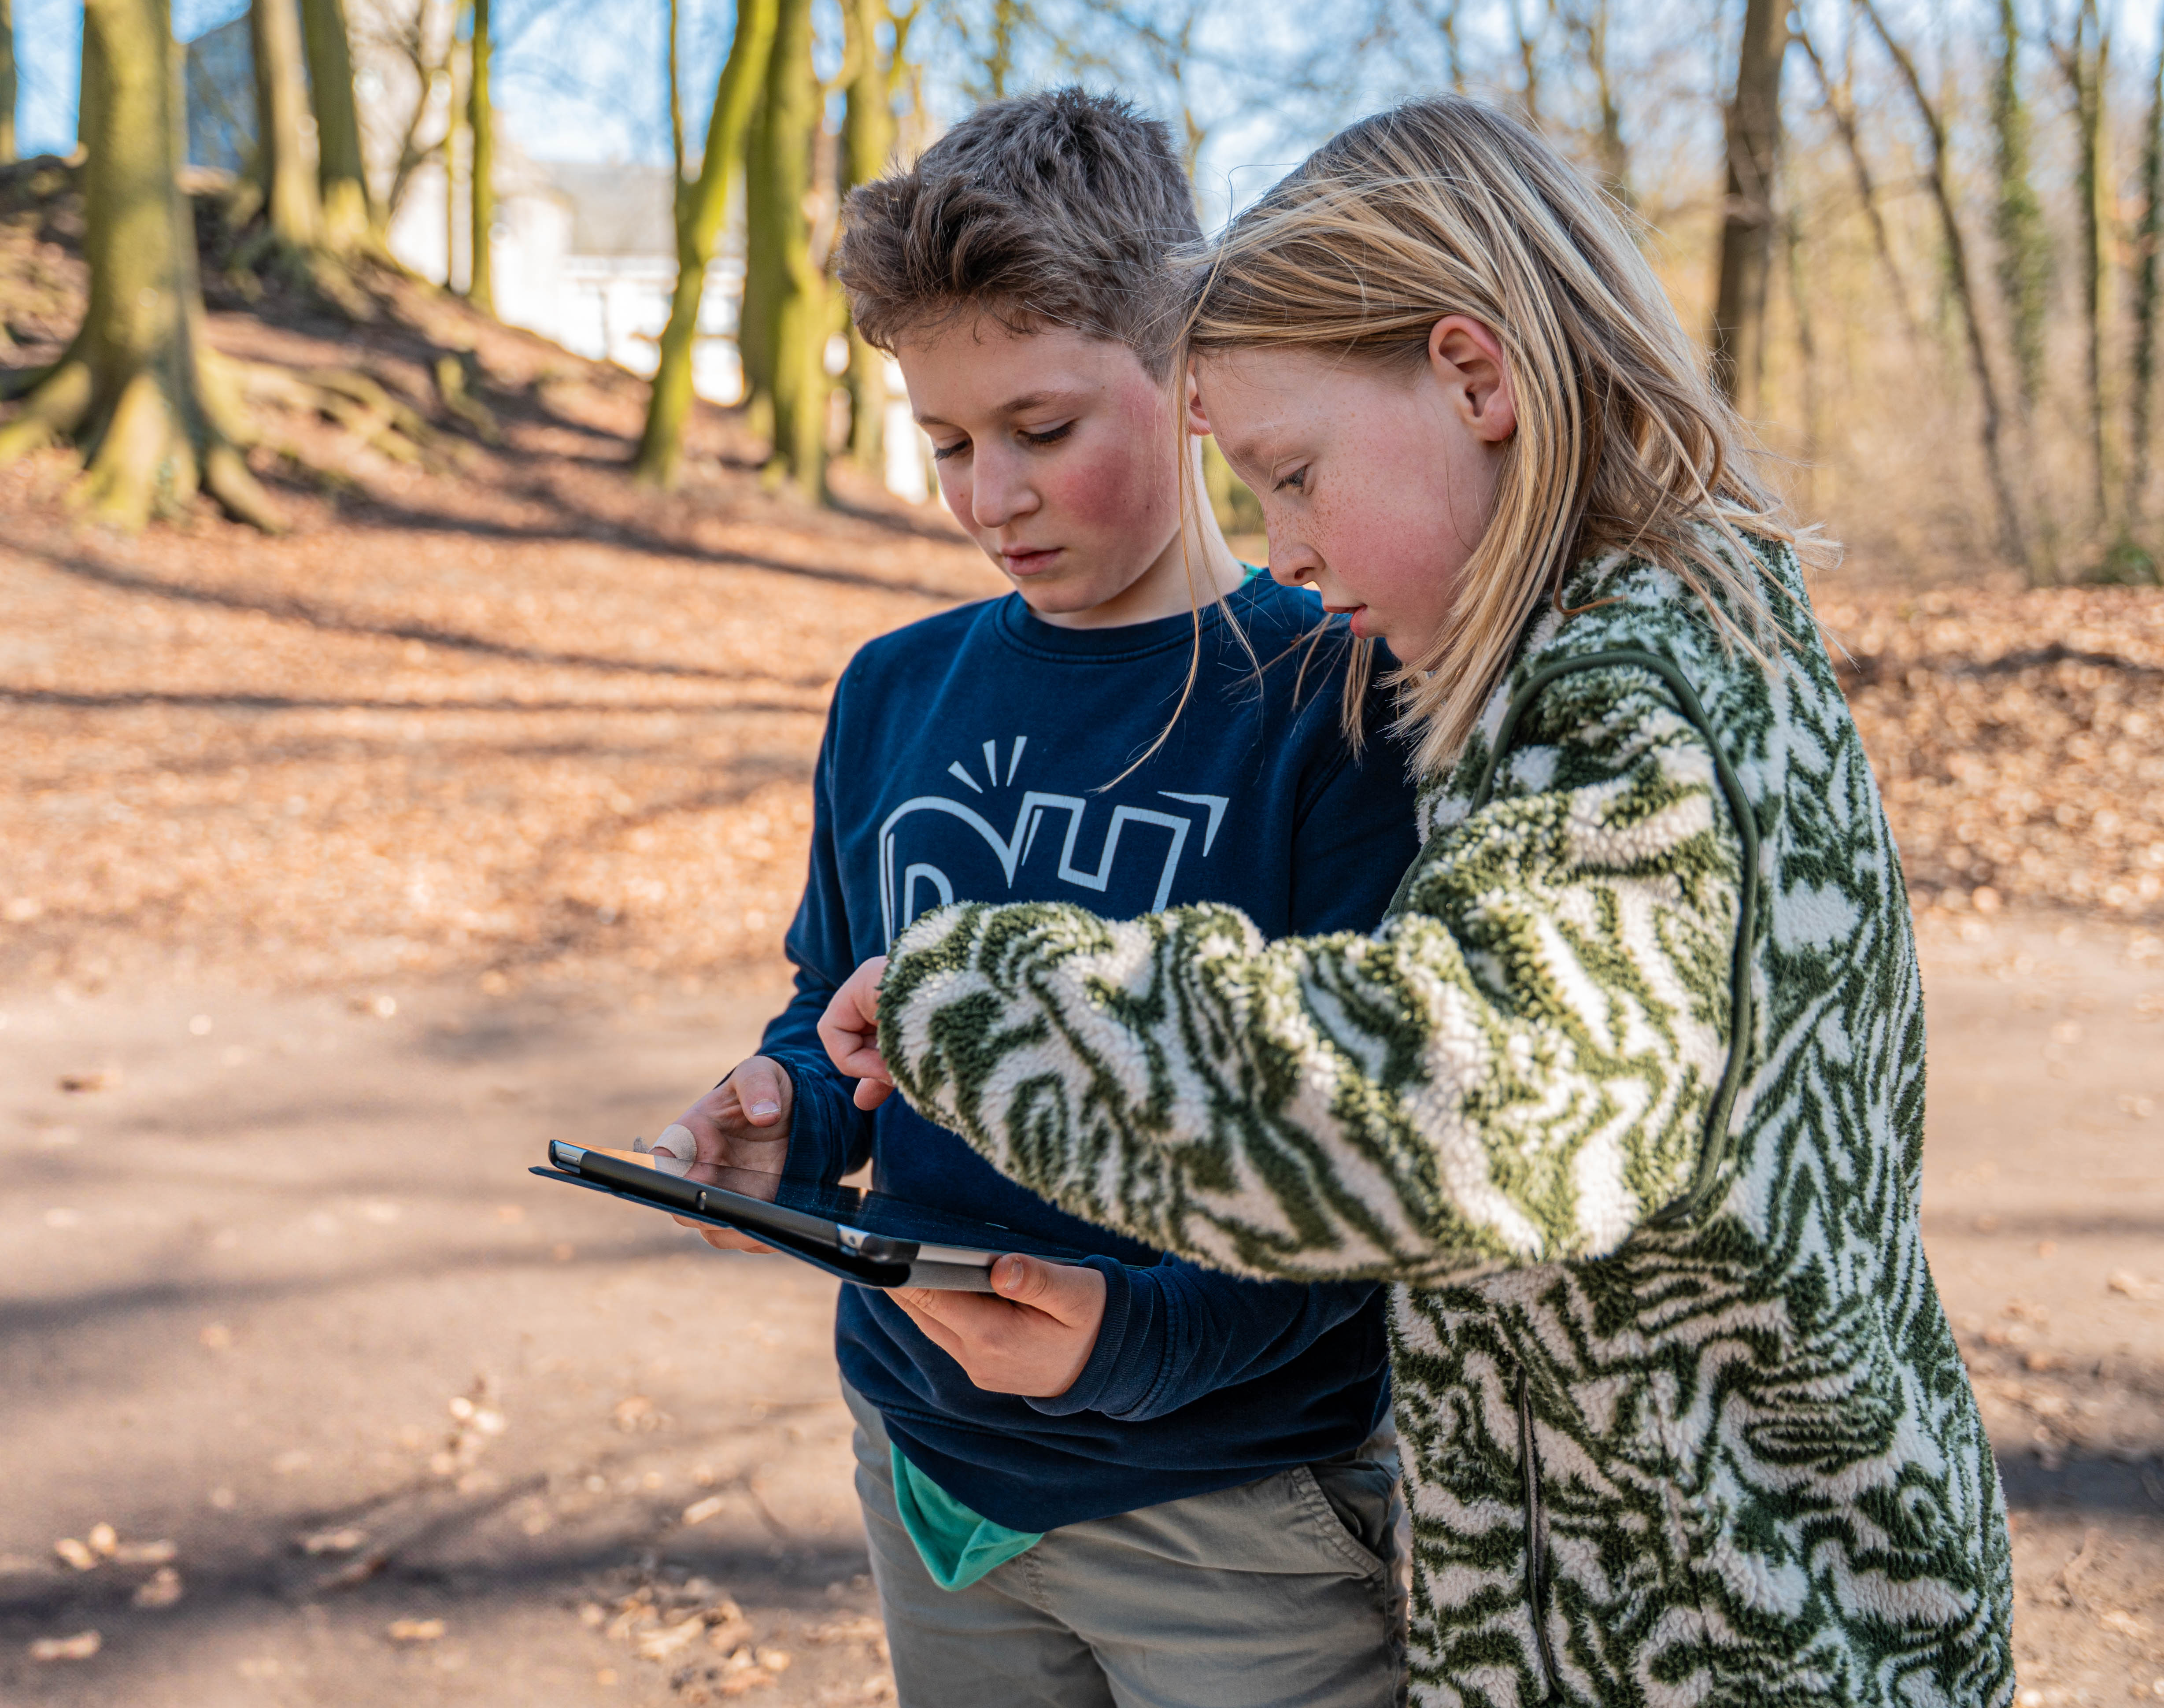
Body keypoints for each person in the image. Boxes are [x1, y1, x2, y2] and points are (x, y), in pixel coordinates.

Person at [824, 97, 2017, 1708]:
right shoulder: (1577, 669)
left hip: (1749, 1633)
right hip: (1639, 1607)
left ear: (1475, 377)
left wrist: (986, 1006)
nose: (1286, 551)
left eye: (1295, 475)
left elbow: (1468, 1097)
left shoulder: (1636, 701)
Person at [651, 89, 1421, 1708]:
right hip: (923, 1465)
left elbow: (1383, 1148)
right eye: (947, 443)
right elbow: (836, 1011)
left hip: (1234, 1512)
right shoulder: (892, 690)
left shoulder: (1336, 697)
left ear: (1190, 376)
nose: (987, 495)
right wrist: (784, 1118)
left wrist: (1132, 1337)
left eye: (1043, 430)